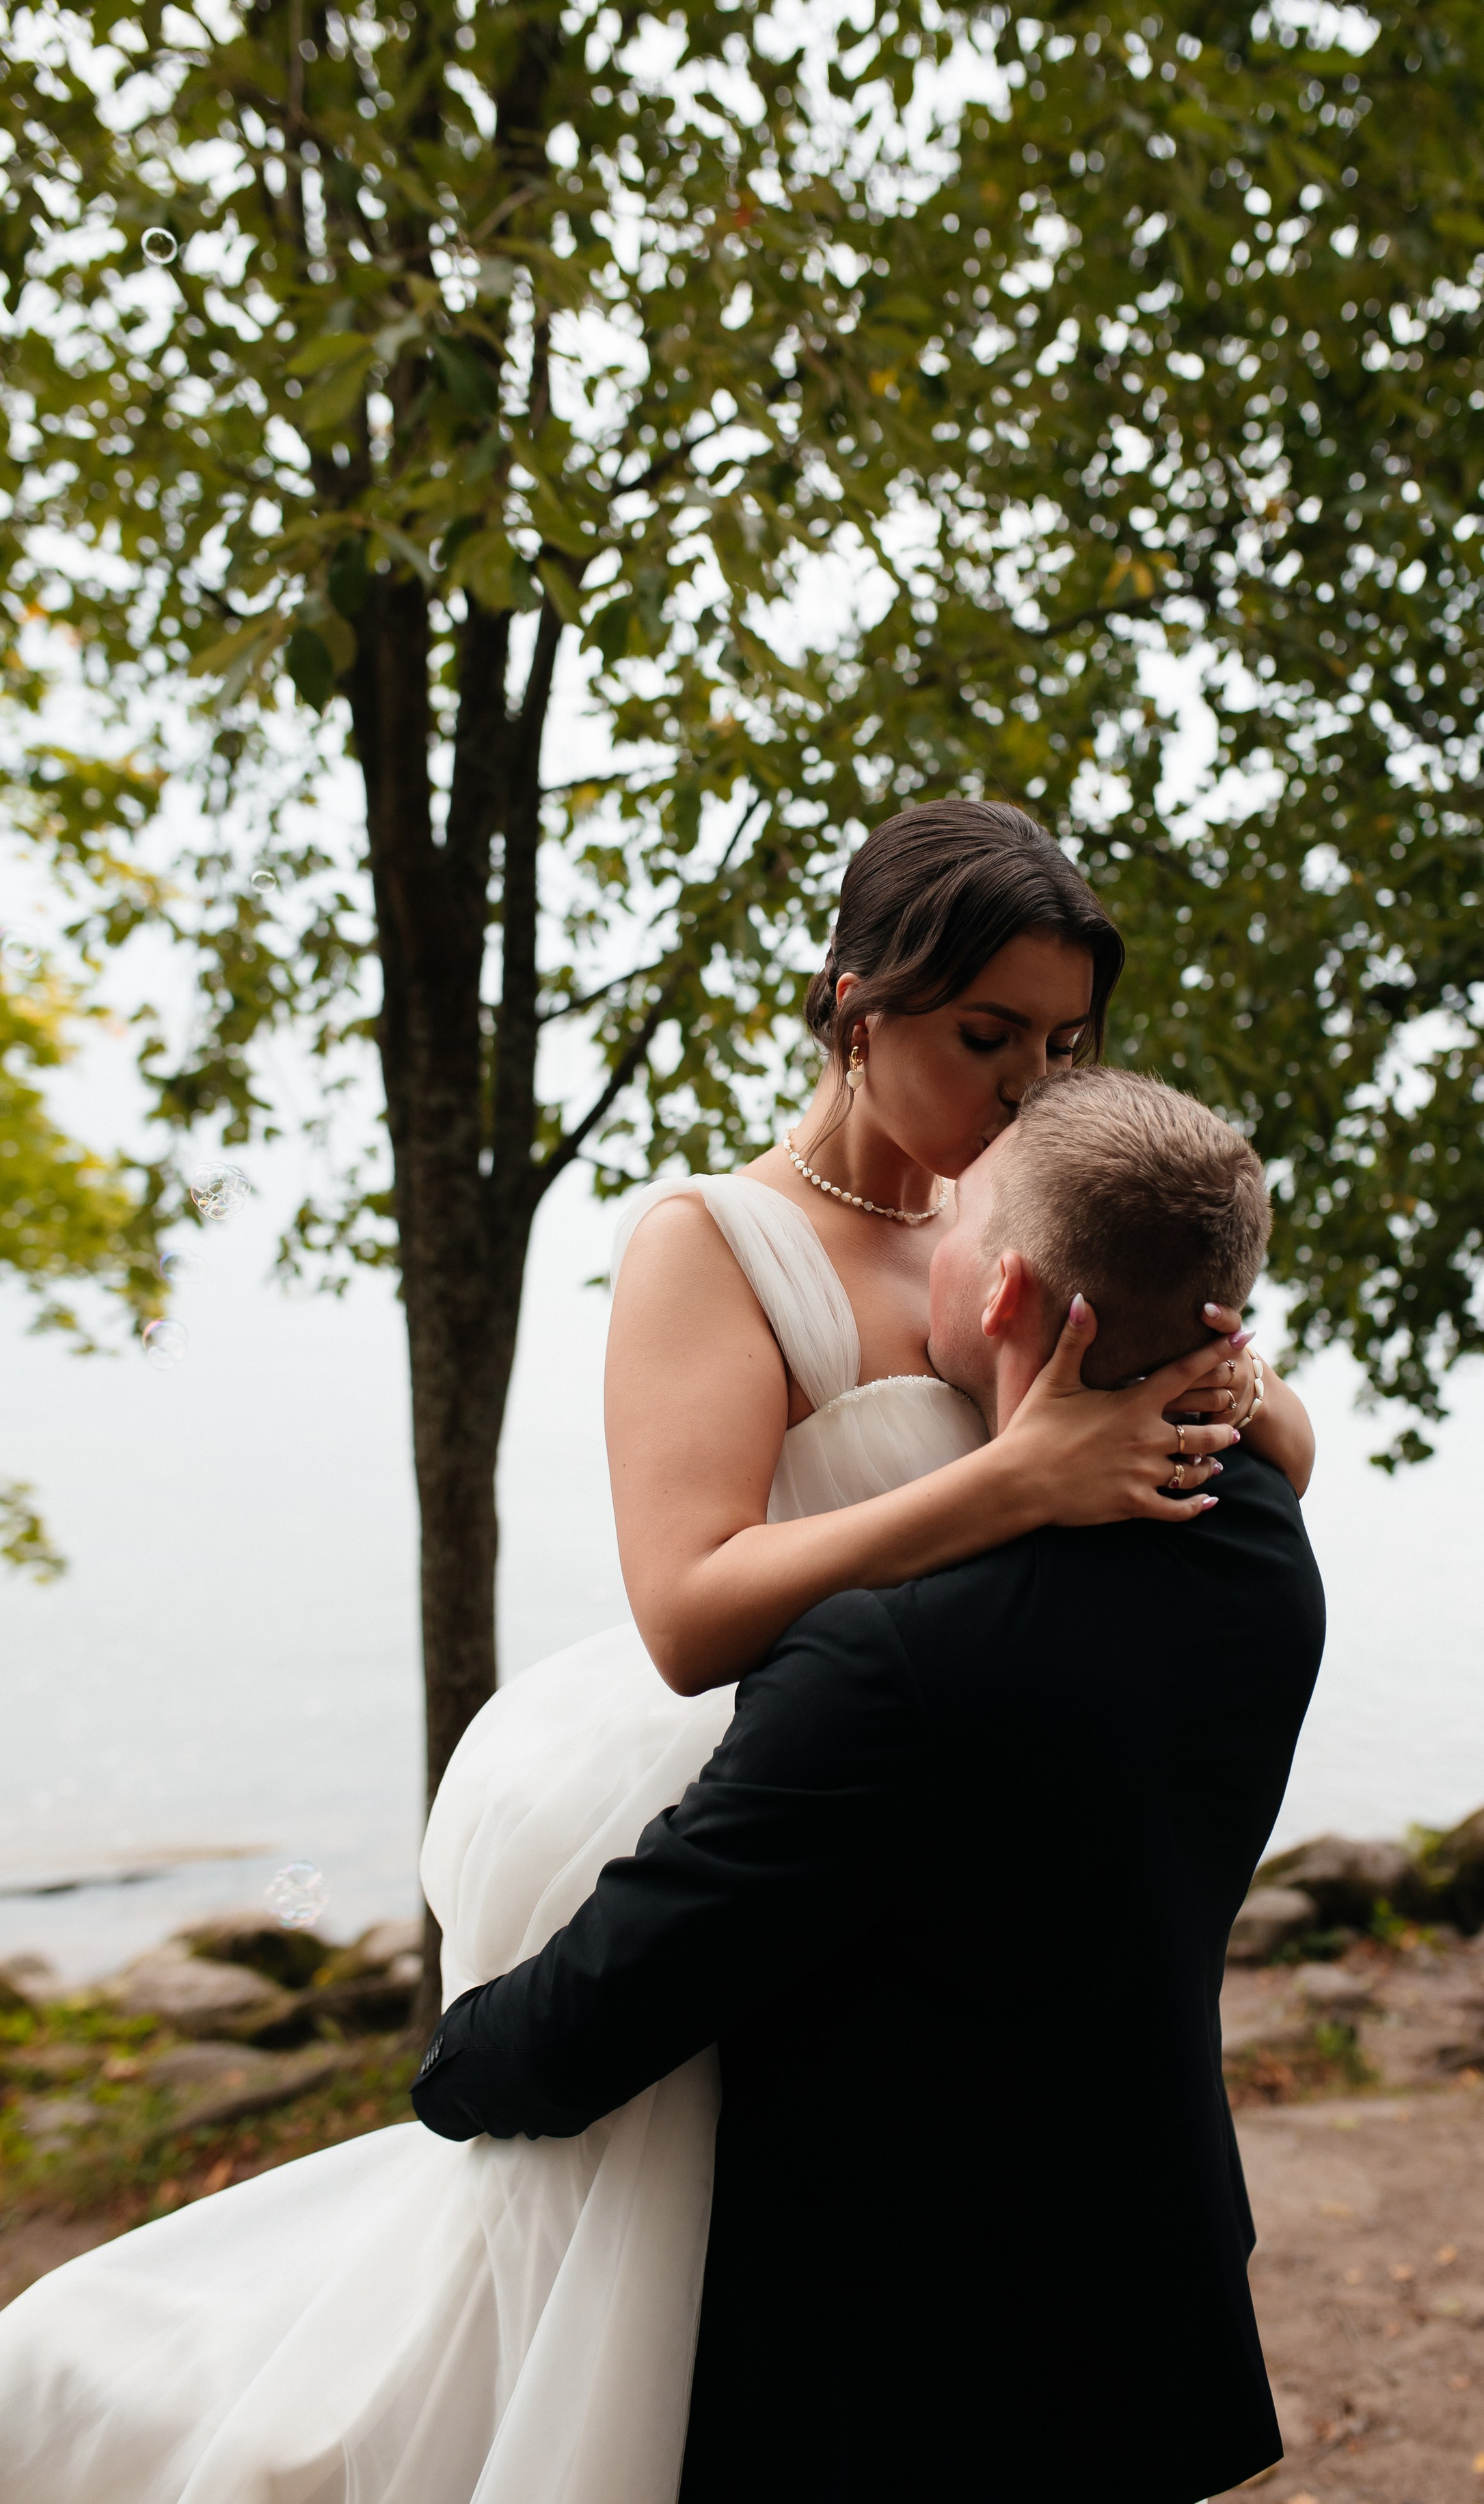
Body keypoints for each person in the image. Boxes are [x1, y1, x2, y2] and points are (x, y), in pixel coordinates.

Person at [0, 801, 1314, 2504]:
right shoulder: (715, 1241)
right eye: (986, 1037)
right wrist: (1005, 1481)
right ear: (858, 1005)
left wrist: (1231, 1379)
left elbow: (1261, 1449)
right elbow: (690, 1611)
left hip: (947, 1848)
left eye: (1062, 1046)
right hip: (767, 1793)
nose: (1027, 1091)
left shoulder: (1040, 1221)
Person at [411, 1068, 1326, 2501]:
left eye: (958, 1220)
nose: (921, 1246)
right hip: (1143, 2296)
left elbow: (629, 1987)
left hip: (896, 2361)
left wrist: (456, 2068)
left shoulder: (882, 1660)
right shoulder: (1265, 1554)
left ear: (1010, 1291)